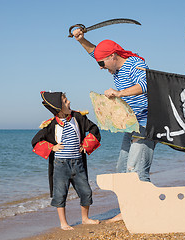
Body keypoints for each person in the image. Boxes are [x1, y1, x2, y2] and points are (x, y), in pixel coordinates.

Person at [72, 29, 156, 222]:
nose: (101, 67)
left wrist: (119, 94)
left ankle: (142, 212)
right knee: (121, 169)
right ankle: (128, 210)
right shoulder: (114, 66)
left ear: (112, 56)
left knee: (137, 169)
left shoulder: (135, 64)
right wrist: (81, 39)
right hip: (132, 125)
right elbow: (95, 51)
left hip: (146, 122)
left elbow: (147, 85)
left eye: (102, 63)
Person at [31, 91, 101, 230]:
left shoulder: (78, 117)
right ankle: (63, 223)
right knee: (60, 193)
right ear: (58, 106)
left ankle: (85, 218)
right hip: (60, 165)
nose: (69, 102)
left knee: (86, 191)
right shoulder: (50, 125)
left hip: (78, 163)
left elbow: (94, 129)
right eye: (65, 101)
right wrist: (52, 147)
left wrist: (86, 145)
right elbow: (35, 141)